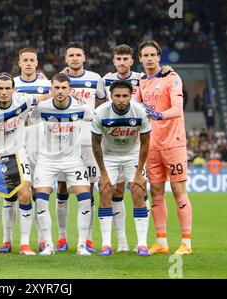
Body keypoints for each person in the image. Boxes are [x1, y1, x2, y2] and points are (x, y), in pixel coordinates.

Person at [0, 73, 39, 256]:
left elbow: (45, 96)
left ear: (13, 89)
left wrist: (73, 95)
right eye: (0, 88)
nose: (3, 92)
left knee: (25, 195)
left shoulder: (23, 100)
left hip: (17, 155)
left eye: (7, 88)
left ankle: (25, 244)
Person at [138, 40, 193, 256]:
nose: (149, 58)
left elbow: (178, 109)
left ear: (159, 57)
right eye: (145, 55)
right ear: (140, 59)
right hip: (152, 144)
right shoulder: (141, 83)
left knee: (179, 191)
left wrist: (159, 115)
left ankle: (186, 243)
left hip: (173, 143)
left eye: (153, 54)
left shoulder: (172, 78)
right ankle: (161, 241)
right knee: (156, 193)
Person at [31, 73, 94, 256]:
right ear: (51, 89)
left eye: (64, 88)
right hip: (47, 160)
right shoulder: (42, 108)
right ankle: (48, 245)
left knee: (85, 199)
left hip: (73, 161)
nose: (60, 91)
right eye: (56, 88)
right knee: (41, 200)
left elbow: (97, 122)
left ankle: (82, 246)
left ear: (70, 90)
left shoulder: (82, 108)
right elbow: (28, 121)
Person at [96, 44, 147, 252]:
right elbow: (90, 94)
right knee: (110, 191)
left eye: (126, 58)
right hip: (110, 146)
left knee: (139, 190)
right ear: (114, 60)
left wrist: (166, 70)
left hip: (134, 143)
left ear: (132, 60)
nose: (122, 62)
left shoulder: (142, 78)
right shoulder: (104, 81)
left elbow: (157, 75)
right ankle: (117, 242)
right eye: (119, 58)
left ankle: (142, 243)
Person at [55, 42, 104, 253]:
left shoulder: (96, 79)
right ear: (66, 59)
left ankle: (89, 238)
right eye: (71, 55)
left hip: (89, 142)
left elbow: (102, 108)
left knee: (89, 190)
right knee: (62, 189)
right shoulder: (58, 80)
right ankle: (62, 238)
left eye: (78, 55)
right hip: (64, 142)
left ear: (84, 58)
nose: (74, 58)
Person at [13, 47, 51, 252]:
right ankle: (7, 239)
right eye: (24, 60)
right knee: (12, 192)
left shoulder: (47, 84)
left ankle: (43, 239)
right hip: (16, 139)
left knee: (39, 192)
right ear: (19, 62)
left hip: (40, 139)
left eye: (32, 60)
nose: (28, 63)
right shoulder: (12, 84)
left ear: (37, 63)